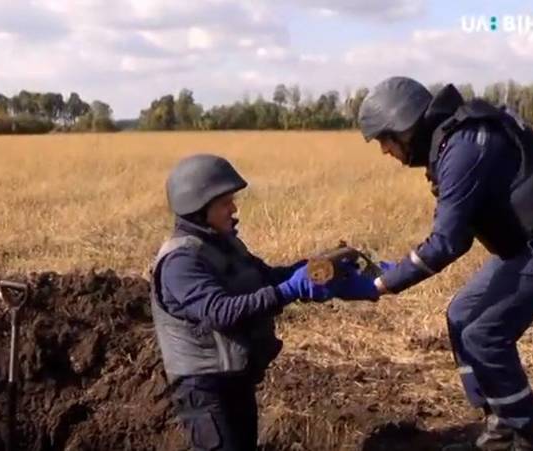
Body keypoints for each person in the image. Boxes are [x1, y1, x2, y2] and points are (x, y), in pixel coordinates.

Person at [349, 77, 533, 450]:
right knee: (462, 314)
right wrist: (391, 270)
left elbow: (446, 243)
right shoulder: (455, 142)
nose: (385, 151)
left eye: (384, 139)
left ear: (404, 127)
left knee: (484, 334)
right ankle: (499, 424)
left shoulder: (464, 148)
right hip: (531, 241)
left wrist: (381, 285)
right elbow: (459, 236)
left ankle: (526, 434)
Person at [149, 154, 372, 451]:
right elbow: (220, 313)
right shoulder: (180, 261)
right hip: (203, 389)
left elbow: (265, 277)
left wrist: (311, 272)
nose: (234, 208)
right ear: (198, 207)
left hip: (234, 378)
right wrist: (289, 290)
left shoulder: (224, 243)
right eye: (225, 202)